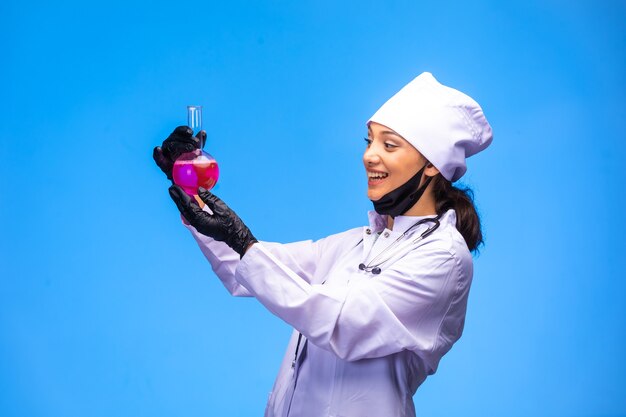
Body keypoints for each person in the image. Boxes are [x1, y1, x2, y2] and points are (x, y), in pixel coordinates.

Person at [153, 72, 493, 417]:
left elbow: (342, 322)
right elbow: (246, 269)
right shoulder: (359, 243)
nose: (369, 156)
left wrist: (242, 240)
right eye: (369, 141)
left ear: (432, 165)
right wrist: (191, 190)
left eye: (389, 145)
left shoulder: (444, 257)